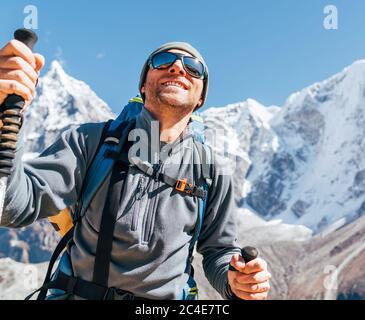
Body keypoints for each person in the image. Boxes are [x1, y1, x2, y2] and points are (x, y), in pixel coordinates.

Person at [0, 39, 271, 300]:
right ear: (143, 85)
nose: (177, 67)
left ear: (201, 98)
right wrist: (6, 117)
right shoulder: (89, 142)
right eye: (163, 61)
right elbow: (12, 206)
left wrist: (236, 282)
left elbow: (219, 251)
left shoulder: (211, 171)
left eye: (193, 67)